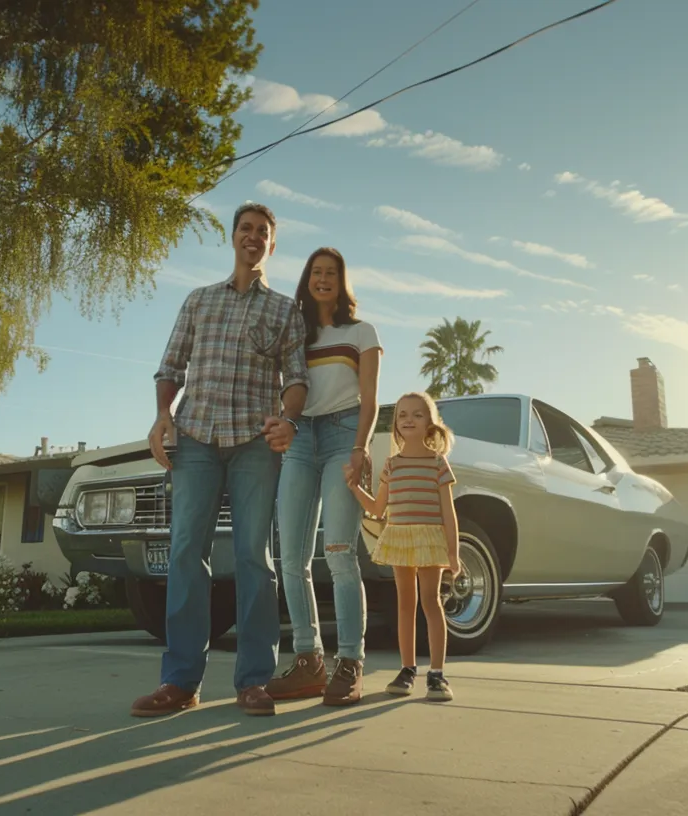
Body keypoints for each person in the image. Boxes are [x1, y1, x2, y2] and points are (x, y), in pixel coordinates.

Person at [130, 201, 309, 718]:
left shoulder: (285, 311)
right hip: (197, 440)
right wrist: (163, 416)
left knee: (255, 556)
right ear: (233, 238)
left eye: (263, 232)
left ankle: (254, 681)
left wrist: (289, 420)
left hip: (256, 442)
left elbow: (296, 379)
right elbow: (171, 366)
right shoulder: (198, 301)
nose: (253, 237)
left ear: (272, 245)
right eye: (246, 229)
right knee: (187, 552)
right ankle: (180, 682)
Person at [264, 247, 381, 707]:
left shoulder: (362, 332)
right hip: (299, 439)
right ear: (307, 280)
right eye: (316, 272)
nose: (323, 279)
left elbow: (370, 400)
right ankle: (309, 660)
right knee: (290, 558)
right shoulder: (295, 334)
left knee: (338, 552)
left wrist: (360, 447)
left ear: (342, 280)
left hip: (343, 436)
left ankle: (350, 662)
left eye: (332, 273)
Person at [345, 391, 462, 702]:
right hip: (400, 537)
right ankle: (407, 669)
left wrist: (454, 552)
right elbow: (378, 507)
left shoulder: (438, 463)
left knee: (431, 603)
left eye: (417, 415)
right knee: (405, 605)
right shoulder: (392, 464)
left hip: (429, 539)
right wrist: (355, 488)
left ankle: (437, 675)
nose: (409, 419)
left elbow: (448, 512)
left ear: (431, 424)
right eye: (402, 415)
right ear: (396, 425)